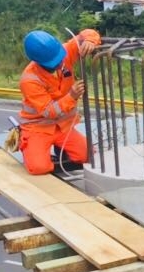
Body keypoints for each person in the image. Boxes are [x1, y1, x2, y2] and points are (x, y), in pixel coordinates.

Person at [17, 28, 101, 175]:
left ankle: (62, 149)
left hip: (64, 126)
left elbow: (85, 34)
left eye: (60, 58)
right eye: (54, 63)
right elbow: (50, 112)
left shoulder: (63, 52)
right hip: (38, 127)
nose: (60, 63)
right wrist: (72, 96)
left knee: (87, 156)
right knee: (38, 168)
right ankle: (30, 146)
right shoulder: (29, 80)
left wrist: (90, 40)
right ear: (39, 62)